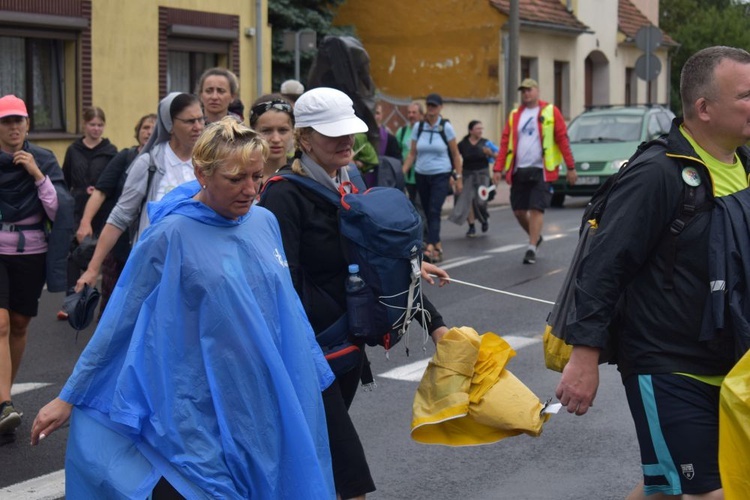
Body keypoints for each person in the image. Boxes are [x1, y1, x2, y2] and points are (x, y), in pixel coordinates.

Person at [30, 118, 336, 498]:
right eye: (236, 178)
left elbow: (285, 306)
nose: (250, 190)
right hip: (196, 400)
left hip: (259, 393)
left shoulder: (264, 221)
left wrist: (308, 370)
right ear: (202, 173)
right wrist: (71, 395)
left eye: (256, 177)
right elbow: (121, 317)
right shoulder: (169, 234)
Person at [555, 46, 750, 499]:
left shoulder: (743, 166)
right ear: (704, 108)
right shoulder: (657, 174)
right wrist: (584, 358)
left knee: (661, 489)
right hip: (669, 366)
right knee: (711, 492)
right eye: (745, 95)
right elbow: (602, 267)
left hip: (732, 366)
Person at [259, 87, 450, 500]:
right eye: (333, 134)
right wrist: (297, 351)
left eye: (349, 131)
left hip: (349, 347)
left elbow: (382, 262)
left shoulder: (354, 180)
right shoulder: (282, 194)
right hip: (311, 354)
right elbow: (280, 284)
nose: (346, 141)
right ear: (304, 138)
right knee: (347, 470)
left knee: (316, 460)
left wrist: (433, 323)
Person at [76, 93, 205, 292]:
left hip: (198, 267)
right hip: (154, 267)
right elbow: (120, 216)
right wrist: (93, 269)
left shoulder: (208, 163)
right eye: (190, 121)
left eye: (200, 119)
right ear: (169, 124)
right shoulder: (149, 163)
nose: (198, 126)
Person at [0, 95, 73, 434]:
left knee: (18, 325)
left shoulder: (43, 158)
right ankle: (4, 403)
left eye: (18, 120)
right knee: (0, 323)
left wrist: (36, 174)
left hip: (31, 252)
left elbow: (59, 211)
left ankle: (3, 397)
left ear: (28, 124)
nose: (13, 127)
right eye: (6, 121)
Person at [75, 113, 156, 315]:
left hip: (151, 244)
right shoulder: (125, 157)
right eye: (145, 127)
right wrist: (86, 221)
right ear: (138, 132)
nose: (149, 131)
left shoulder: (167, 164)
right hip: (119, 242)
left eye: (154, 127)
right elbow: (101, 191)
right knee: (113, 301)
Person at [493, 78, 576, 265]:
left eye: (529, 90)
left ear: (537, 91)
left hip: (541, 169)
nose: (526, 94)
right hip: (519, 169)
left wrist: (571, 167)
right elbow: (505, 142)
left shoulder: (550, 111)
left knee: (536, 208)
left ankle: (531, 247)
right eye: (523, 91)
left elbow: (562, 139)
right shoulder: (515, 115)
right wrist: (498, 168)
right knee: (519, 211)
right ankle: (536, 236)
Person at [58, 106, 117, 319]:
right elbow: (65, 180)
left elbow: (115, 182)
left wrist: (100, 189)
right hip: (77, 207)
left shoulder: (110, 151)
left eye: (100, 125)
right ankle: (69, 303)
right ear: (84, 125)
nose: (96, 129)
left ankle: (90, 301)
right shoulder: (73, 150)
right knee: (73, 255)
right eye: (92, 124)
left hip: (101, 210)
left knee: (95, 255)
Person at [401, 93, 463, 263]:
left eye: (434, 106)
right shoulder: (418, 127)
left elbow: (455, 154)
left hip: (441, 174)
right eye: (429, 106)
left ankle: (430, 245)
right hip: (422, 174)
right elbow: (412, 154)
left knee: (435, 210)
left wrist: (458, 177)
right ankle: (437, 244)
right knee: (427, 212)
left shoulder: (445, 127)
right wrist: (401, 173)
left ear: (440, 107)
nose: (431, 109)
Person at [449, 120, 495, 237]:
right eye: (478, 128)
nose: (480, 131)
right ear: (471, 131)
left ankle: (484, 218)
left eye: (481, 129)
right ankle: (472, 226)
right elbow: (455, 157)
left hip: (482, 174)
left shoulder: (486, 143)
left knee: (481, 201)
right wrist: (454, 174)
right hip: (467, 174)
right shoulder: (463, 144)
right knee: (467, 200)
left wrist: (490, 153)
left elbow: (499, 155)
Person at [249, 94, 295, 179]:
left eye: (282, 130)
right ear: (253, 132)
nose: (276, 139)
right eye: (266, 131)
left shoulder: (302, 179)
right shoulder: (241, 177)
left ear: (293, 132)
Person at [396, 101, 424, 204]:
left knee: (423, 207)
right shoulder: (402, 131)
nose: (411, 115)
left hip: (423, 174)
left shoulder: (425, 131)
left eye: (414, 112)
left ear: (421, 114)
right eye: (409, 112)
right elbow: (397, 152)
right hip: (407, 177)